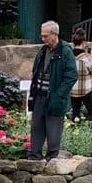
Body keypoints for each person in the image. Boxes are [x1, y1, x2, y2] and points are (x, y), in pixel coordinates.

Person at [26, 20, 76, 159]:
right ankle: (34, 156)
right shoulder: (43, 51)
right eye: (42, 36)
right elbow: (36, 73)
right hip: (39, 95)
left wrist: (59, 95)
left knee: (53, 129)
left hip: (54, 97)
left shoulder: (65, 51)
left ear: (55, 34)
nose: (43, 39)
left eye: (45, 36)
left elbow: (71, 76)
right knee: (36, 126)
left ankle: (52, 159)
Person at [69, 27, 92, 120]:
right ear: (84, 42)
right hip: (86, 89)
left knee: (75, 114)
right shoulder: (86, 57)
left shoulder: (69, 57)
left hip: (73, 90)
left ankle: (74, 128)